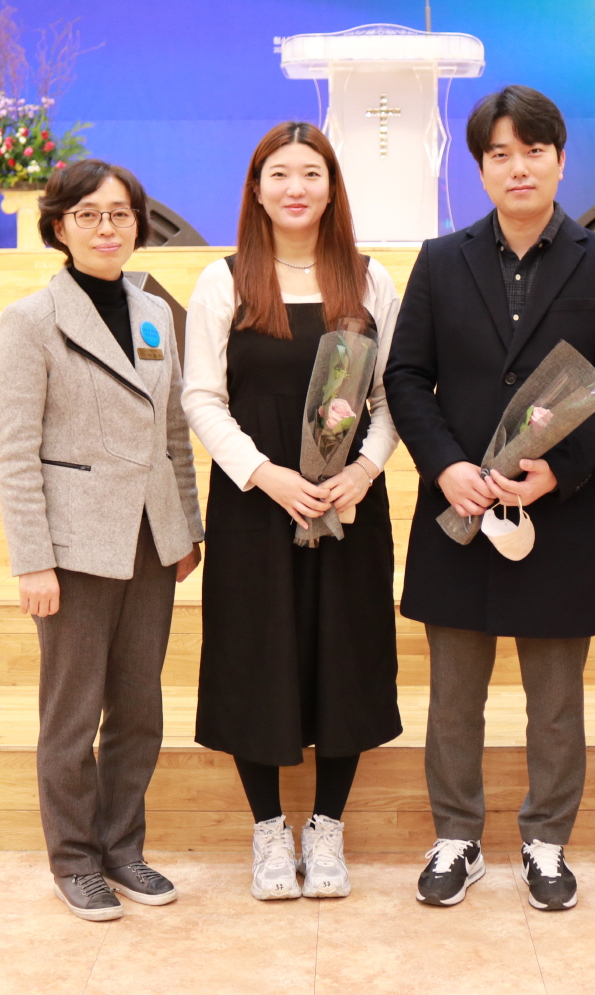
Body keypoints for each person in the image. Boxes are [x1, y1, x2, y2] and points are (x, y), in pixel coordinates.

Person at [384, 86, 595, 912]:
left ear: (560, 160)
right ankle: (456, 838)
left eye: (533, 151)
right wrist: (445, 466)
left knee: (555, 703)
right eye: (499, 154)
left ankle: (546, 842)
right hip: (458, 511)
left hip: (555, 517)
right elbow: (404, 375)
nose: (517, 167)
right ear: (480, 169)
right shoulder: (440, 259)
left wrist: (558, 471)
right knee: (453, 698)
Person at [183, 121, 402, 901]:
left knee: (345, 656)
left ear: (332, 187)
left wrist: (364, 471)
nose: (296, 187)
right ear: (256, 188)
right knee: (255, 655)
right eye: (280, 173)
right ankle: (270, 831)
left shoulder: (369, 280)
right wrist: (264, 474)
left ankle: (327, 827)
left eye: (311, 173)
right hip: (255, 504)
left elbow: (392, 397)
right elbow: (201, 397)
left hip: (348, 507)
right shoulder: (224, 281)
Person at [0, 159, 205, 921]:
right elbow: (13, 451)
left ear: (138, 225)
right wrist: (33, 560)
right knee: (72, 713)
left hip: (150, 538)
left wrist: (186, 527)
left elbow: (173, 431)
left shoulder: (154, 312)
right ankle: (75, 859)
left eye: (119, 214)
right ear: (59, 226)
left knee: (139, 708)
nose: (106, 227)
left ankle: (122, 848)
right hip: (74, 547)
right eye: (87, 215)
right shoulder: (31, 320)